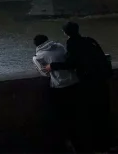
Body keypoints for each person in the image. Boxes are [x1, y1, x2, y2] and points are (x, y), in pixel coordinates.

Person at [46, 22, 112, 152]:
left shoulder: (72, 43)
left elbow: (72, 63)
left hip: (89, 82)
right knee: (103, 112)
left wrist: (52, 66)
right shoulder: (89, 40)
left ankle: (96, 145)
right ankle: (107, 144)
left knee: (90, 114)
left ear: (65, 33)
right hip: (101, 80)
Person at [32, 34, 79, 152]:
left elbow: (45, 73)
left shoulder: (38, 56)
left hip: (59, 86)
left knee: (60, 115)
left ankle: (64, 143)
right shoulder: (60, 46)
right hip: (74, 82)